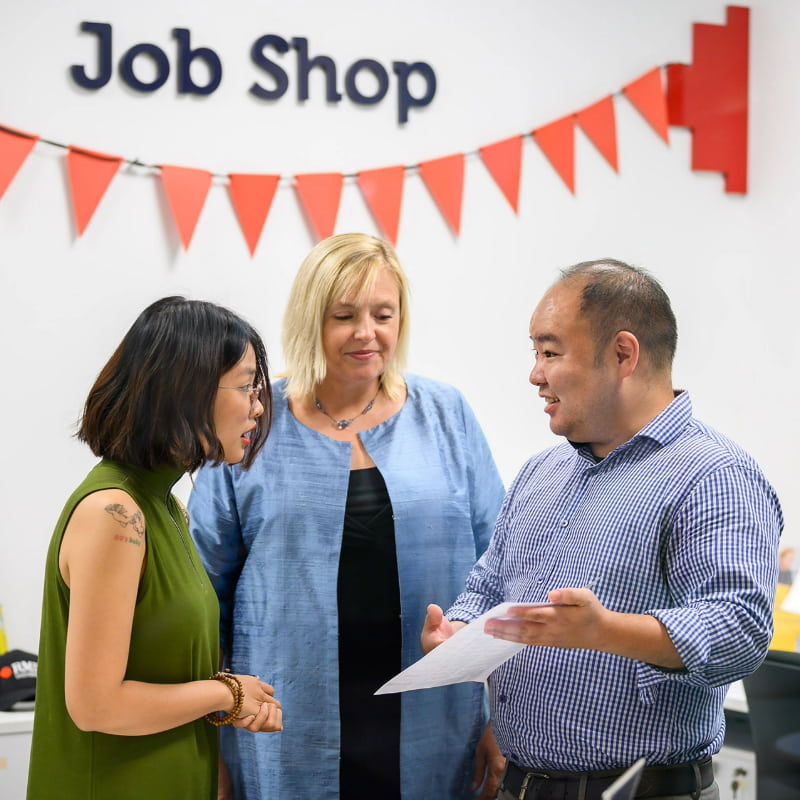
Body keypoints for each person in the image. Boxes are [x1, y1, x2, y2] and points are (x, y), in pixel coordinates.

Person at [422, 259, 783, 800]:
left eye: (550, 353)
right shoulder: (541, 472)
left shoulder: (713, 475)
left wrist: (605, 631)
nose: (535, 374)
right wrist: (457, 631)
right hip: (520, 784)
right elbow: (489, 587)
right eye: (535, 353)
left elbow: (739, 631)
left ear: (622, 355)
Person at [188, 233, 507, 800]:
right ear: (310, 319)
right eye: (344, 316)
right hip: (283, 718)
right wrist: (206, 743)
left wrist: (502, 719)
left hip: (435, 721)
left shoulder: (446, 414)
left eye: (383, 314)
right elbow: (202, 596)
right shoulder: (251, 422)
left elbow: (502, 572)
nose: (367, 332)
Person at [27, 297, 283, 800]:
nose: (258, 405)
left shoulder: (167, 508)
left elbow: (157, 667)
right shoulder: (114, 514)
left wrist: (230, 695)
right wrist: (226, 693)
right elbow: (96, 705)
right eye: (246, 385)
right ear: (186, 390)